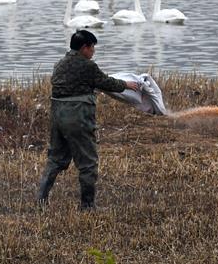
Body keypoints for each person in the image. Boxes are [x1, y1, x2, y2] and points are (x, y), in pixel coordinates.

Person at [36, 31, 140, 209]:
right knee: (87, 163)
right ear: (85, 47)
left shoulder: (59, 64)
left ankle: (41, 201)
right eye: (92, 48)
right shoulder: (87, 66)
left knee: (55, 160)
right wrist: (126, 85)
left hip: (57, 117)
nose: (93, 52)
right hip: (78, 117)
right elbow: (106, 83)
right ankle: (87, 206)